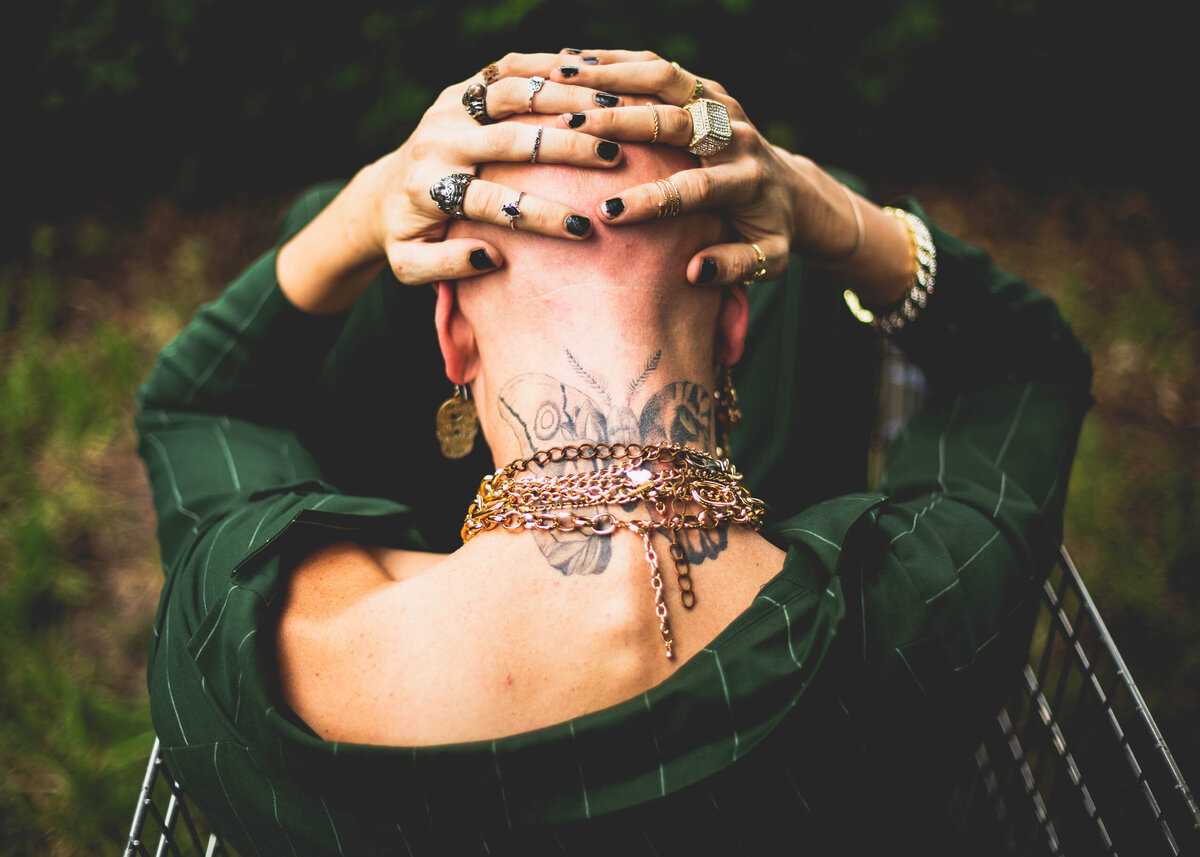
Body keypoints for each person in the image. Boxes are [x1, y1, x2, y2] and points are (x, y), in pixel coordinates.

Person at [135, 50, 1091, 855]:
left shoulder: (255, 651)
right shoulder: (911, 631)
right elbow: (1022, 366)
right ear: (735, 332)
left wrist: (364, 205)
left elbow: (198, 403)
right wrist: (823, 205)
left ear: (451, 338)